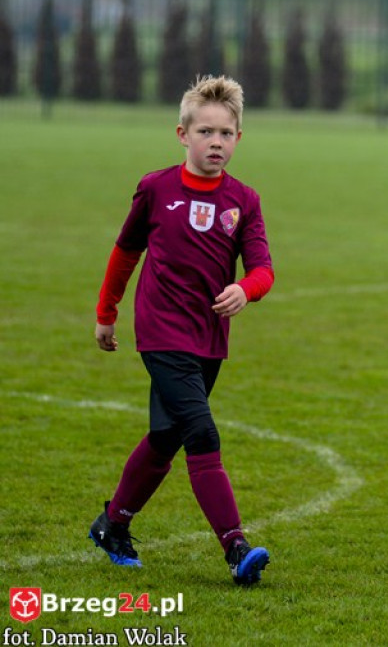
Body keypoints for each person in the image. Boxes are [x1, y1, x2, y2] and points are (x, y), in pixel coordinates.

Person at [90, 75, 275, 585]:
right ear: (182, 134)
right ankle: (236, 547)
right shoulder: (156, 188)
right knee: (201, 431)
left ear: (239, 138)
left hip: (208, 336)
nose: (216, 142)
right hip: (160, 331)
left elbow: (263, 268)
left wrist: (246, 289)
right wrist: (107, 312)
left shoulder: (244, 200)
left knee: (165, 435)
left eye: (226, 134)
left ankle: (113, 524)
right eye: (206, 132)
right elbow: (126, 251)